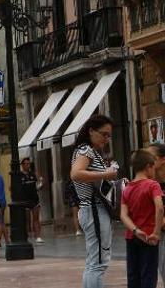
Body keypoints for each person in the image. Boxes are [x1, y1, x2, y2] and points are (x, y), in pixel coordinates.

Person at [70, 114, 118, 288]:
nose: (107, 139)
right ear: (91, 131)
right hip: (94, 210)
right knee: (98, 263)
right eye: (104, 134)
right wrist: (106, 174)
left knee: (94, 262)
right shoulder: (86, 150)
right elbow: (75, 174)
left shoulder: (88, 151)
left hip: (92, 209)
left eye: (109, 135)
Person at [120, 149, 162, 288]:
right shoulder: (152, 185)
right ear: (148, 167)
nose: (154, 172)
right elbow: (159, 207)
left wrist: (135, 230)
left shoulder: (127, 188)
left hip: (132, 237)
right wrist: (156, 232)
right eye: (154, 169)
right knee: (148, 275)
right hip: (149, 237)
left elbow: (123, 215)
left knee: (133, 275)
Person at [147, 142, 165, 284]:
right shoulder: (150, 184)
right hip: (158, 236)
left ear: (162, 159)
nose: (146, 161)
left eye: (150, 157)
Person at [19, 158, 44, 243]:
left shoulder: (33, 174)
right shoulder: (19, 176)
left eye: (28, 164)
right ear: (22, 165)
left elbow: (39, 185)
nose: (27, 165)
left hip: (34, 199)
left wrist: (41, 182)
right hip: (24, 200)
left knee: (36, 219)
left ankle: (38, 236)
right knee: (26, 220)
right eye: (25, 164)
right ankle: (26, 236)